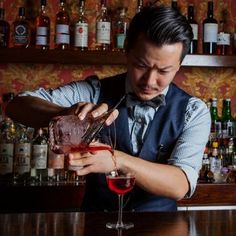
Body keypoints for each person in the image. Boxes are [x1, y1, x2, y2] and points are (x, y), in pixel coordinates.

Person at [6, 5, 211, 212]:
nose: (150, 81)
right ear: (127, 51)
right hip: (97, 225)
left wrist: (115, 159)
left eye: (164, 71)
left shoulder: (193, 111)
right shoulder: (94, 91)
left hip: (160, 228)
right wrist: (64, 115)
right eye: (141, 65)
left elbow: (180, 184)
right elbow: (17, 105)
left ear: (178, 65)